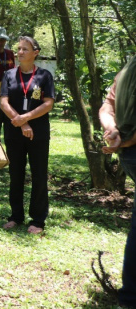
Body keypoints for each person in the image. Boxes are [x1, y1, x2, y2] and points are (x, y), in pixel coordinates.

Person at [0, 36, 55, 234]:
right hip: (14, 131)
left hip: (38, 133)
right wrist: (20, 122)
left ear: (35, 53)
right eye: (18, 49)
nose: (20, 52)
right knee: (16, 174)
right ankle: (16, 216)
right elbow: (3, 103)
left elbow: (48, 103)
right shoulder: (9, 75)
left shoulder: (44, 76)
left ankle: (38, 220)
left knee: (39, 174)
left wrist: (26, 118)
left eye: (25, 49)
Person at [99, 56, 136, 307]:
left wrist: (112, 131)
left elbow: (106, 107)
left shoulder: (128, 67)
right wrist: (124, 138)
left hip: (127, 155)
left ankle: (130, 296)